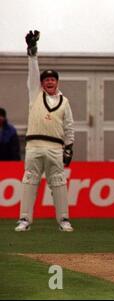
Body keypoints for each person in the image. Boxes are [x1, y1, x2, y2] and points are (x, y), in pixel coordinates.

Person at [15, 30, 75, 232]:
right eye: (46, 79)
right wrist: (32, 53)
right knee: (30, 179)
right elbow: (32, 73)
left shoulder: (64, 102)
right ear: (41, 83)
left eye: (53, 79)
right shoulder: (35, 95)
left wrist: (69, 147)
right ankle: (25, 219)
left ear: (57, 82)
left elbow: (69, 126)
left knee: (58, 182)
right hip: (34, 145)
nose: (49, 81)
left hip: (55, 147)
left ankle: (64, 220)